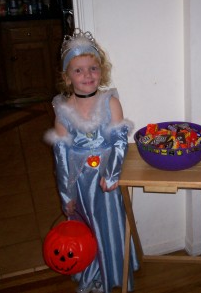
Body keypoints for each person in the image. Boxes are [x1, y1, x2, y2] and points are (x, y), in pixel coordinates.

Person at [44, 29, 139, 293]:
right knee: (88, 228)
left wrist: (111, 174)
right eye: (78, 70)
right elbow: (61, 158)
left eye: (93, 68)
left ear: (102, 70)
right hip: (81, 185)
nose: (87, 75)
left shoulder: (111, 102)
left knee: (110, 225)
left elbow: (120, 143)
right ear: (67, 76)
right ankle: (94, 270)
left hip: (106, 180)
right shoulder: (63, 111)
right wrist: (66, 195)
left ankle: (115, 271)